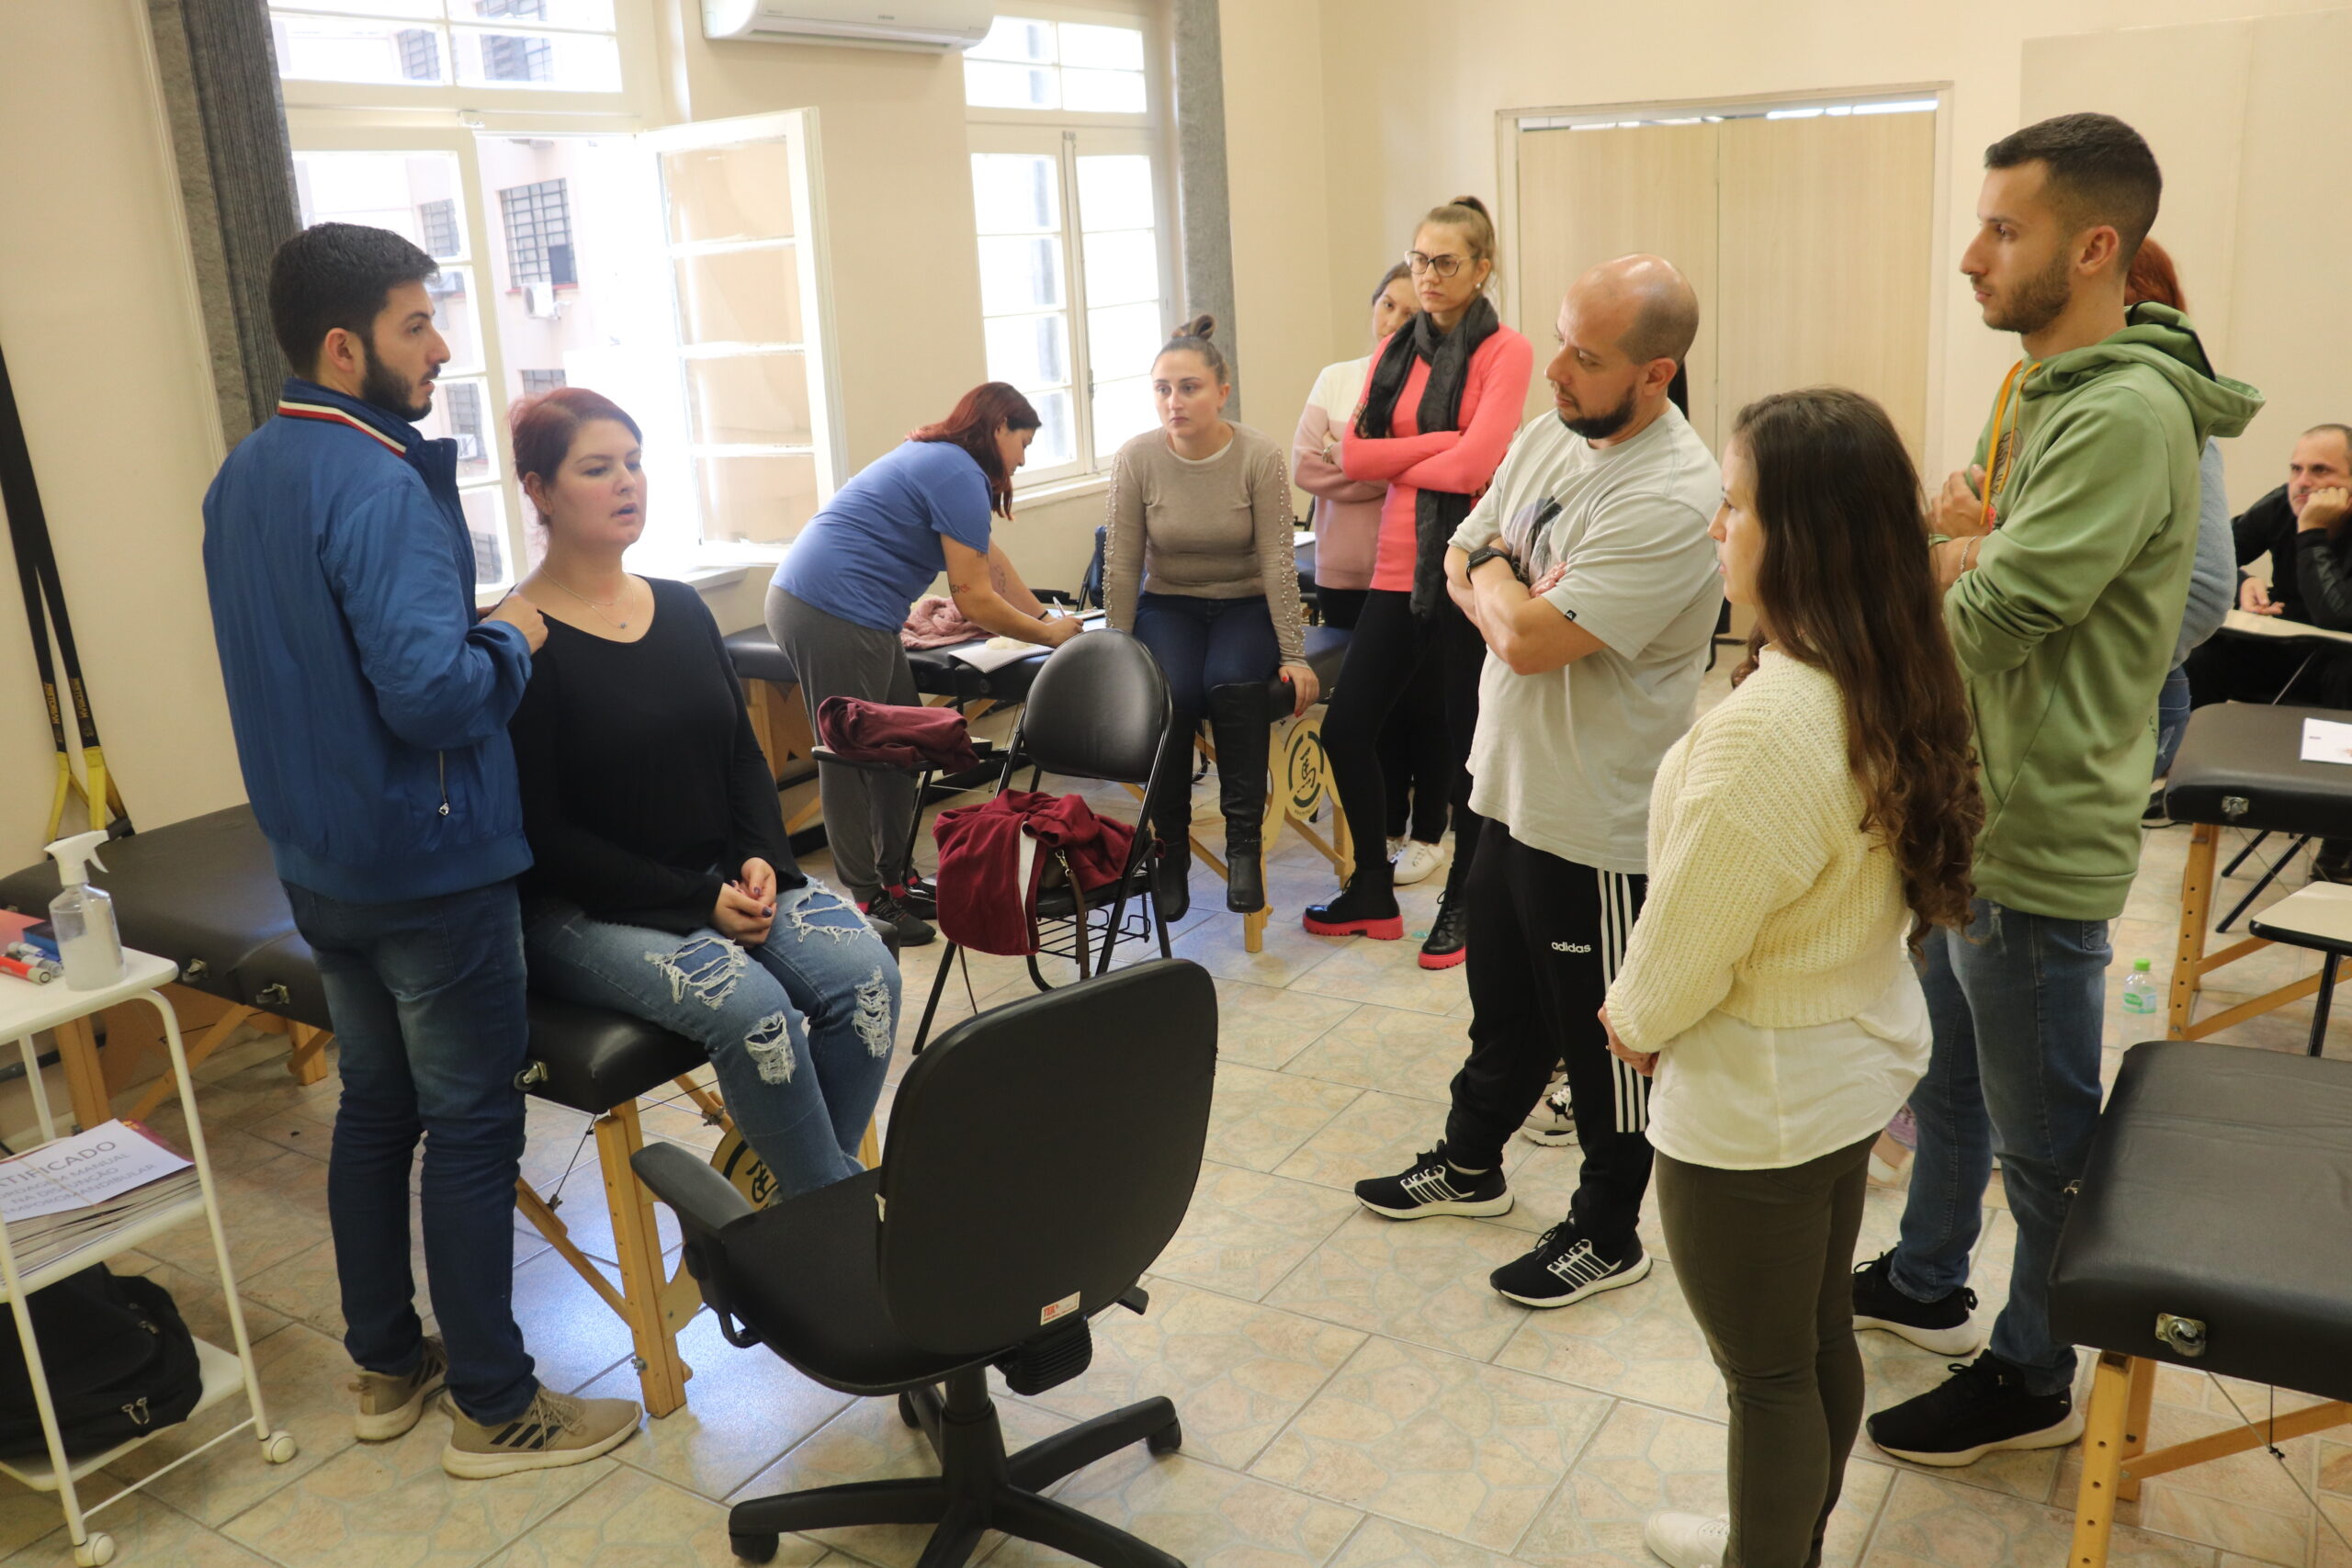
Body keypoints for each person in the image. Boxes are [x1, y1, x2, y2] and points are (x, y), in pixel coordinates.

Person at [1855, 113, 2261, 1467]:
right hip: (1976, 806)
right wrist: (1962, 547)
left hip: (2031, 834)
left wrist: (1889, 603)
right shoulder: (2055, 391)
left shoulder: (2127, 412)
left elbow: (2002, 608)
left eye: (2002, 229)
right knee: (1950, 1079)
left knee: (2043, 1146)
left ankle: (2033, 1371)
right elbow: (1983, 555)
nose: (1972, 257)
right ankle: (1928, 1277)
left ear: (2094, 248)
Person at [201, 223, 639, 1478]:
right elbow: (434, 697)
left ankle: (387, 1364)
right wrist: (512, 637)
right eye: (416, 324)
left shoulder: (243, 474)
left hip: (319, 864)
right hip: (427, 869)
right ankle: (497, 1406)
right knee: (472, 1125)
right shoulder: (378, 482)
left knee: (376, 1108)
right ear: (345, 348)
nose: (441, 347)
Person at [1611, 389, 1983, 1568]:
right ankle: (1787, 1541)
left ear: (1805, 539)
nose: (1714, 528)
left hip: (1755, 1103)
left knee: (1766, 1376)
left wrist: (1631, 1018)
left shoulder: (1768, 727)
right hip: (1842, 1066)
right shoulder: (1888, 667)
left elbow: (1681, 953)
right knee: (1814, 1335)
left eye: (1733, 507)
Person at [1351, 254, 1723, 1313]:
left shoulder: (1670, 494)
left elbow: (1525, 641)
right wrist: (1502, 581)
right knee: (1501, 1007)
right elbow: (1461, 550)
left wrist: (1498, 587)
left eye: (1584, 356)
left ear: (1654, 374)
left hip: (1596, 817)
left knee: (1603, 1043)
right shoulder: (1554, 431)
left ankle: (1607, 1231)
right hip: (1506, 783)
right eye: (1559, 339)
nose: (1554, 368)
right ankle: (1471, 1164)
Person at [504, 388, 899, 1201]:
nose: (627, 482)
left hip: (719, 875)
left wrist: (760, 856)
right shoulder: (522, 638)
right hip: (583, 910)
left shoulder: (682, 607)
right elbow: (543, 834)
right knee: (754, 1011)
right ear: (539, 490)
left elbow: (741, 757)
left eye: (634, 462)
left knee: (870, 976)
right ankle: (838, 1218)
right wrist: (698, 899)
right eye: (597, 469)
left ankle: (793, 1211)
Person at [1304, 196, 1535, 968]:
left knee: (1469, 744)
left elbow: (1476, 470)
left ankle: (1465, 897)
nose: (1428, 276)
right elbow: (1353, 457)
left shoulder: (1505, 352)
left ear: (1481, 268)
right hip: (1395, 565)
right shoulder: (1395, 350)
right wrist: (1446, 442)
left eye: (1445, 262)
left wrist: (1413, 454)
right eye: (1418, 260)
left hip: (1467, 566)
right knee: (1346, 728)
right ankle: (1371, 886)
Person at [767, 384, 1080, 944]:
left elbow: (989, 561)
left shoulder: (945, 462)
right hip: (828, 609)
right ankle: (869, 898)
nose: (1023, 459)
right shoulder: (958, 471)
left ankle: (899, 878)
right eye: (1024, 443)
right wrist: (1044, 635)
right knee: (850, 754)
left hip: (857, 612)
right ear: (999, 427)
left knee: (902, 748)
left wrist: (1047, 617)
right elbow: (974, 599)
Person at [1104, 316, 1318, 919]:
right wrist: (1115, 652)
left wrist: (1295, 654)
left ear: (1222, 392)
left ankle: (1243, 845)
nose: (1174, 401)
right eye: (1163, 389)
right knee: (1171, 692)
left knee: (1230, 683)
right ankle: (1169, 848)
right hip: (1168, 601)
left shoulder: (1259, 455)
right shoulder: (1136, 457)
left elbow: (1278, 561)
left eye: (1189, 387)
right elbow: (1121, 563)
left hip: (1243, 603)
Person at [1295, 265, 1453, 888]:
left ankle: (1428, 832)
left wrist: (1355, 460)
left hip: (1416, 573)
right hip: (1343, 571)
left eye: (1409, 314)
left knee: (1424, 706)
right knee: (1368, 711)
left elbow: (1446, 471)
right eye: (1386, 304)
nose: (1392, 321)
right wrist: (1389, 472)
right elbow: (1305, 468)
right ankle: (1384, 822)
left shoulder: (1439, 389)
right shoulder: (1337, 379)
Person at [2121, 240, 2235, 787]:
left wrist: (2098, 668)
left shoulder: (2164, 410)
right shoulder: (2062, 398)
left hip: (2134, 690)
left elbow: (2209, 587)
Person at [2182, 423, 2352, 709]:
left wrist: (2311, 531)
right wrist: (2241, 583)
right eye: (2296, 469)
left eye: (2320, 470)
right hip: (2286, 646)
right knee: (2204, 651)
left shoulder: (2306, 515)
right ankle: (2179, 737)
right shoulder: (2282, 503)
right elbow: (2202, 558)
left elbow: (2337, 616)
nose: (2302, 482)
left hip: (2340, 660)